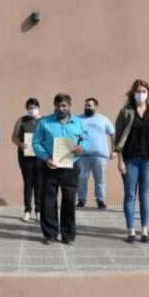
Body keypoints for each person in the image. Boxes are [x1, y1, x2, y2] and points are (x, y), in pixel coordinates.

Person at [32, 93, 88, 245]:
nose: (60, 108)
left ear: (69, 106)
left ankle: (68, 235)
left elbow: (85, 140)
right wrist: (46, 158)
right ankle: (50, 234)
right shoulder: (44, 122)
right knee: (48, 201)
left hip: (71, 166)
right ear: (54, 106)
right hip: (50, 165)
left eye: (64, 106)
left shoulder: (78, 122)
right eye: (57, 105)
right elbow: (36, 143)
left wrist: (81, 148)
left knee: (69, 201)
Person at [114, 80, 149, 243]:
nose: (141, 94)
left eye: (144, 91)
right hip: (130, 159)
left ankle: (144, 230)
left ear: (148, 93)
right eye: (138, 91)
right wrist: (120, 161)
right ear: (132, 93)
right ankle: (131, 231)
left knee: (145, 194)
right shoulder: (125, 112)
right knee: (130, 195)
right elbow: (118, 138)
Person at [76, 98, 115, 210]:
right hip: (82, 155)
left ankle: (100, 200)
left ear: (96, 107)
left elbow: (113, 134)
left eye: (89, 105)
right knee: (81, 178)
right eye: (86, 105)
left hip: (100, 155)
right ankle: (81, 200)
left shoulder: (104, 120)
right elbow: (73, 134)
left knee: (100, 179)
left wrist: (114, 150)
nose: (87, 107)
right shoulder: (78, 119)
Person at [11, 98, 43, 222]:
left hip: (40, 156)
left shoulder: (44, 121)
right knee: (28, 183)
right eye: (30, 108)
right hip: (25, 156)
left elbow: (48, 136)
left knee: (39, 183)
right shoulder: (21, 120)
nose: (32, 110)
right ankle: (27, 210)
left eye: (34, 107)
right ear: (26, 109)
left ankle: (39, 210)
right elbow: (14, 137)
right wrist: (20, 144)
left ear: (38, 108)